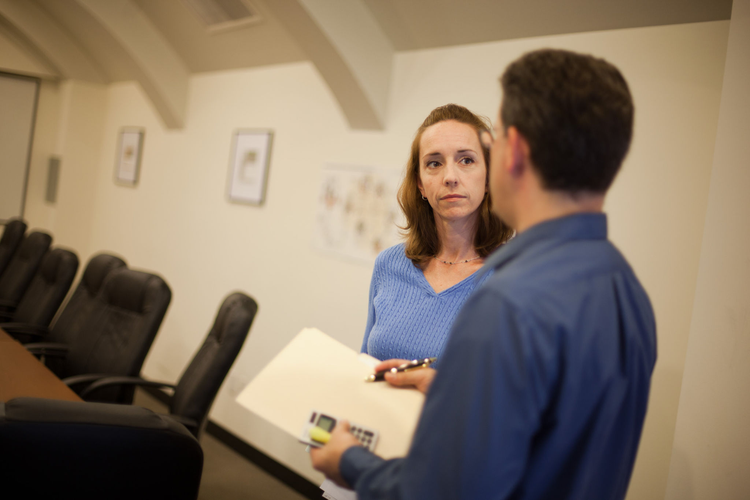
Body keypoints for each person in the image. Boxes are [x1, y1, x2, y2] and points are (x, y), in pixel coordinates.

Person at [311, 48, 657, 500]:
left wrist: (349, 463)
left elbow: (447, 491)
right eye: (434, 162)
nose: (453, 175)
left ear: (513, 153)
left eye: (477, 155)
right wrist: (450, 388)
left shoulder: (506, 302)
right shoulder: (628, 292)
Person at [361, 104, 512, 367]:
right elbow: (365, 364)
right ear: (420, 183)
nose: (450, 177)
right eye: (434, 163)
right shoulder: (388, 264)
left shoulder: (517, 278)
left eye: (466, 160)